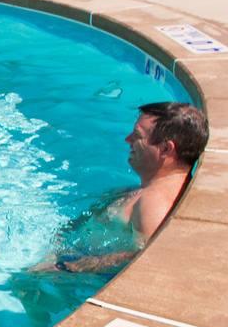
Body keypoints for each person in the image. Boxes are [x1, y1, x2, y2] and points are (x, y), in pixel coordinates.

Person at [47, 101, 209, 273]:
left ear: (165, 148)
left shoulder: (155, 204)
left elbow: (146, 258)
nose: (128, 139)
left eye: (137, 136)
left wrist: (66, 268)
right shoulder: (147, 193)